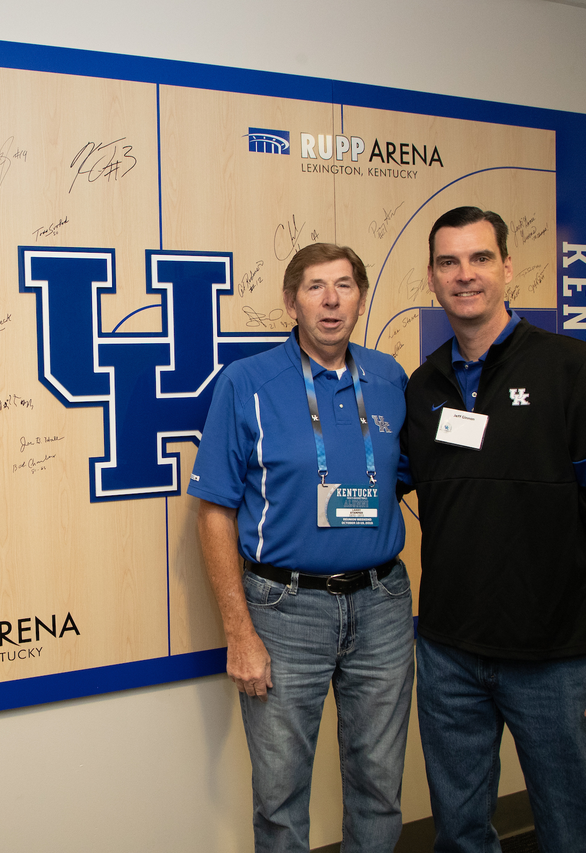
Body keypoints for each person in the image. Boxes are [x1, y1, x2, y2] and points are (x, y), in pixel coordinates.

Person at [401, 206, 586, 853]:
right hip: (450, 654)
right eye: (449, 262)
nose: (465, 275)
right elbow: (378, 483)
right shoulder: (423, 387)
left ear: (508, 267)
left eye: (480, 258)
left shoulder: (573, 370)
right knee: (460, 834)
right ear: (431, 277)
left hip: (557, 660)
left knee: (576, 834)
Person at [189, 243, 413, 852]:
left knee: (380, 784)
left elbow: (404, 477)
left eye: (344, 285)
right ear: (291, 302)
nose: (332, 300)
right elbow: (214, 513)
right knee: (281, 798)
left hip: (383, 605)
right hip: (284, 612)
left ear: (361, 298)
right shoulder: (248, 383)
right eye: (315, 287)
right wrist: (239, 632)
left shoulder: (390, 377)